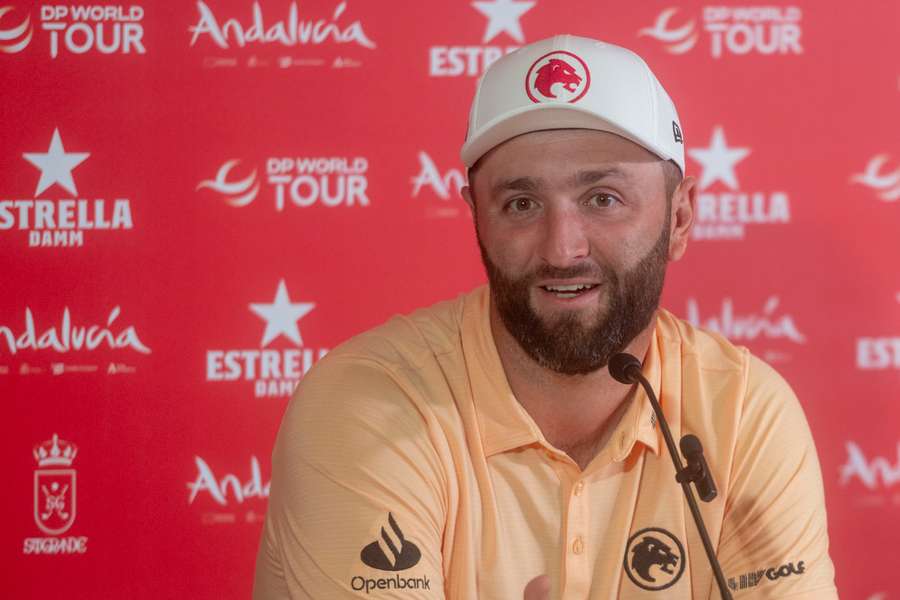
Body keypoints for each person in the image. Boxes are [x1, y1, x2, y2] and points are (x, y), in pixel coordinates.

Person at [253, 35, 838, 599]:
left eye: (602, 198)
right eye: (521, 204)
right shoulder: (368, 401)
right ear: (476, 217)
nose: (562, 249)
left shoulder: (744, 412)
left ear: (679, 217)